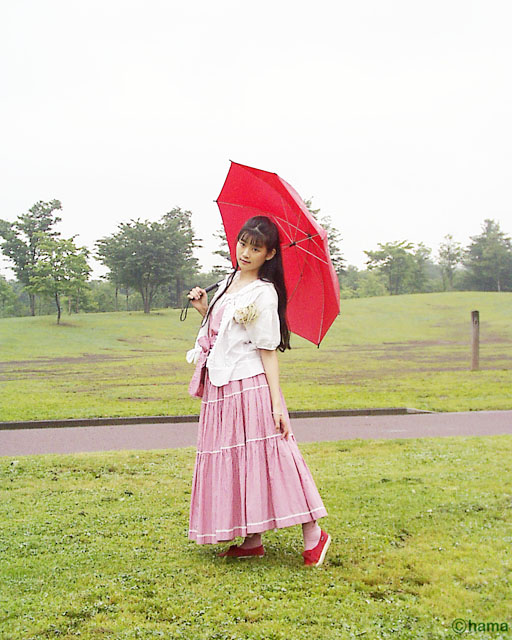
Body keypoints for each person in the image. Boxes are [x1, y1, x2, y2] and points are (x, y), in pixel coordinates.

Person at [185, 215, 331, 567]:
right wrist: (204, 309)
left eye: (255, 248)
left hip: (250, 386)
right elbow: (223, 334)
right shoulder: (227, 283)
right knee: (237, 460)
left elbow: (267, 350)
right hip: (221, 386)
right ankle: (252, 539)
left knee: (273, 455)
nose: (246, 253)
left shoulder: (264, 293)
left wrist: (276, 405)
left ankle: (314, 533)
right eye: (242, 244)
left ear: (269, 254)